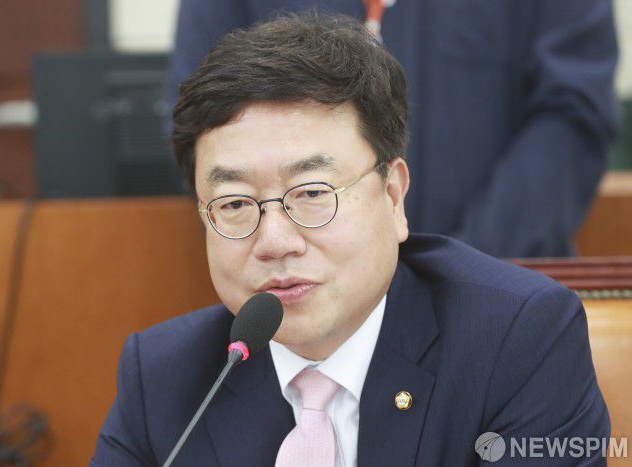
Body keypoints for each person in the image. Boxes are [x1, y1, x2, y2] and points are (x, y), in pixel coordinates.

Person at [92, 14, 609, 466]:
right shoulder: (165, 377)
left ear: (393, 195)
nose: (275, 241)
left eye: (312, 193)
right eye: (233, 203)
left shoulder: (516, 341)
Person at [169, 0, 619, 258]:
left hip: (500, 286)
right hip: (297, 298)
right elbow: (200, 120)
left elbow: (572, 114)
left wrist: (460, 269)